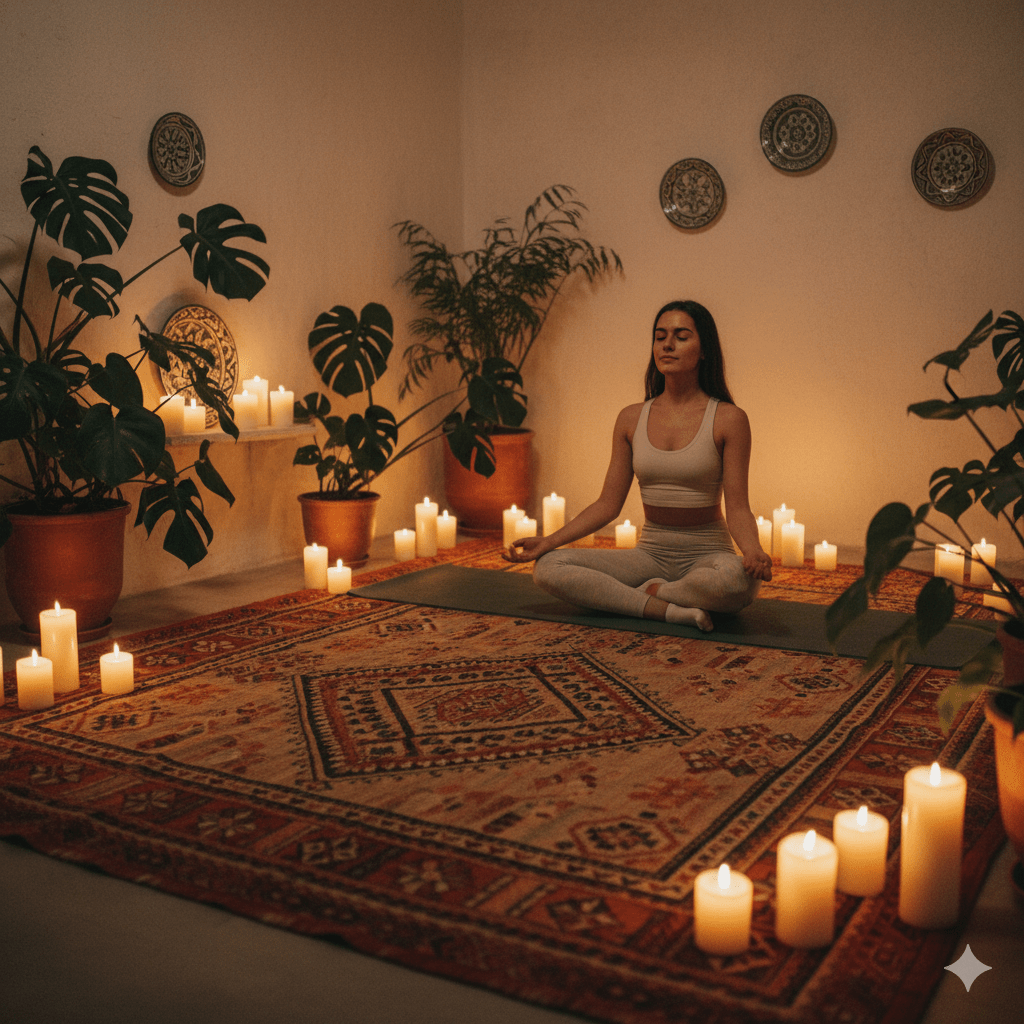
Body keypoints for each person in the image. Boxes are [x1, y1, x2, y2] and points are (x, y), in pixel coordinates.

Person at [504, 299, 772, 631]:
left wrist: (752, 551)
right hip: (649, 555)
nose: (668, 344)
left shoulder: (729, 419)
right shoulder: (631, 418)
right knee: (549, 567)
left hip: (707, 555)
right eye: (660, 336)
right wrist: (548, 541)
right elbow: (607, 504)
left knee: (735, 582)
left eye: (681, 336)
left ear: (704, 350)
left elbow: (739, 507)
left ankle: (653, 593)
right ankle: (669, 610)